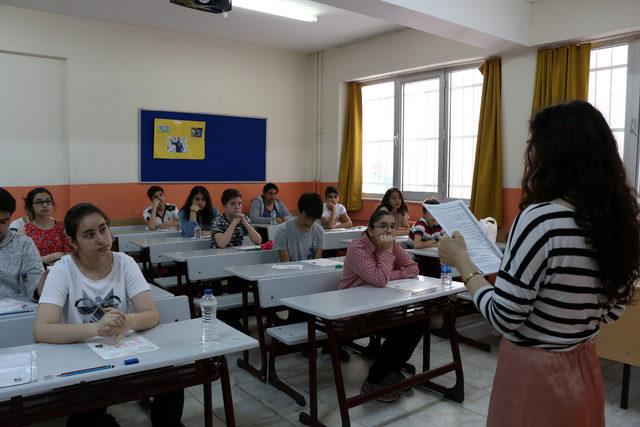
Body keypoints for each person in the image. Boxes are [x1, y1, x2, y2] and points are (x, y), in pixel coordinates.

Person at [438, 101, 640, 427]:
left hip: (535, 376)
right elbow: (612, 310)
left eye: (534, 144)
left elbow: (504, 317)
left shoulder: (540, 218)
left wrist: (463, 262)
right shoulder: (615, 221)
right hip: (584, 366)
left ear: (551, 153)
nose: (529, 153)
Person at [34, 203, 184, 427]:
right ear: (73, 242)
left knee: (173, 382)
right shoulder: (62, 269)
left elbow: (151, 314)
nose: (101, 239)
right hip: (81, 357)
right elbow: (42, 329)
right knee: (88, 412)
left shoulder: (125, 263)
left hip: (123, 351)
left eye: (103, 229)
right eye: (89, 234)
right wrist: (97, 328)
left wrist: (128, 321)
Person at [338, 208, 421, 402]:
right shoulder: (357, 247)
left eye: (392, 226)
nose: (388, 231)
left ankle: (391, 370)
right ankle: (374, 381)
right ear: (370, 229)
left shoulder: (392, 246)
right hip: (350, 310)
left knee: (417, 322)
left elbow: (413, 268)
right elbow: (378, 278)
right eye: (383, 226)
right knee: (401, 329)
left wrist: (389, 275)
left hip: (379, 306)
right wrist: (384, 253)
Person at [0, 187, 45, 300]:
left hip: (15, 311)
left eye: (3, 222)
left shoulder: (24, 244)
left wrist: (39, 290)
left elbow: (34, 278)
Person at [17, 187, 71, 264]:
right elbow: (24, 261)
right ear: (31, 207)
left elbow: (69, 255)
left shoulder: (61, 227)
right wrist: (54, 256)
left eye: (48, 201)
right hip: (36, 272)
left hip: (61, 271)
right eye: (39, 202)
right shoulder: (24, 231)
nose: (45, 205)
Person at [274, 192, 324, 262]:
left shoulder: (319, 231)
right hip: (289, 271)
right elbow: (285, 264)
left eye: (313, 219)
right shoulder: (283, 230)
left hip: (311, 271)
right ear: (299, 211)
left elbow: (316, 262)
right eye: (306, 217)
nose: (309, 222)